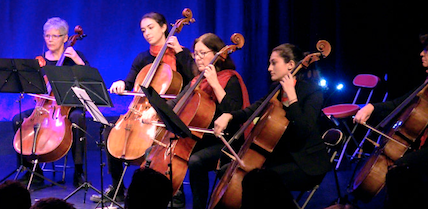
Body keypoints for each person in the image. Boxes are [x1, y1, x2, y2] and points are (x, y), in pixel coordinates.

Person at [352, 32, 428, 208]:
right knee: (394, 164)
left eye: (427, 50)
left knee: (401, 167)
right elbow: (400, 103)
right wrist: (371, 107)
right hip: (427, 145)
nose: (421, 53)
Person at [211, 43, 330, 207]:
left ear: (290, 65)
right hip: (281, 157)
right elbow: (253, 110)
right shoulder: (275, 90)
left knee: (259, 181)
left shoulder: (312, 91)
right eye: (269, 63)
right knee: (227, 170)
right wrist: (229, 115)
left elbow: (304, 129)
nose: (269, 68)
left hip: (306, 163)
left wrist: (292, 98)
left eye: (274, 63)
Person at [97, 11, 197, 202]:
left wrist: (180, 52)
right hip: (140, 113)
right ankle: (117, 187)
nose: (147, 33)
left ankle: (173, 190)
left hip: (171, 112)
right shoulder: (143, 58)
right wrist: (121, 84)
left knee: (162, 140)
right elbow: (129, 82)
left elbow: (193, 82)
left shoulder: (180, 55)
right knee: (109, 134)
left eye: (151, 28)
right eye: (143, 30)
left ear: (164, 27)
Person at [9, 17, 90, 187]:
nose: (50, 40)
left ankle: (78, 171)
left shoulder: (75, 56)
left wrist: (77, 60)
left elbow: (90, 80)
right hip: (44, 107)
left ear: (65, 37)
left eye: (55, 36)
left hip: (69, 106)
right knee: (18, 120)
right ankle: (32, 171)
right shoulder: (40, 60)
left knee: (78, 119)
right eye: (47, 36)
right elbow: (33, 85)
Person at [181, 33, 251, 209]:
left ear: (217, 54)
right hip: (204, 138)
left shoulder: (230, 78)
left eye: (202, 53)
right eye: (195, 54)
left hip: (228, 141)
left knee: (196, 161)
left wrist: (215, 84)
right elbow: (177, 101)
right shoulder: (197, 81)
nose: (198, 58)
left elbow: (234, 113)